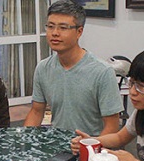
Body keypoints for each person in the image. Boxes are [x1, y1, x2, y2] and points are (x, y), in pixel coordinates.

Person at [23, 0, 123, 137]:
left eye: (63, 28)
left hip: (91, 148)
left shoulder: (102, 72)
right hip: (57, 146)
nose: (55, 33)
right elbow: (36, 111)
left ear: (79, 32)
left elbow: (112, 125)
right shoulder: (43, 68)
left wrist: (90, 148)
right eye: (50, 26)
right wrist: (25, 141)